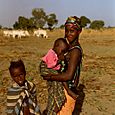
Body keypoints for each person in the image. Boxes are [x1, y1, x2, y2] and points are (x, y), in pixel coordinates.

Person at [43, 16, 83, 115]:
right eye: (66, 30)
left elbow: (69, 75)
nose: (68, 33)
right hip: (63, 90)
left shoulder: (75, 51)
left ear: (79, 31)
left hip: (68, 92)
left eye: (72, 31)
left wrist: (50, 76)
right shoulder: (68, 47)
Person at [39, 38, 78, 115]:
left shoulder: (56, 54)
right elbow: (50, 65)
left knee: (58, 85)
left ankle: (57, 104)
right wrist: (60, 61)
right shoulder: (51, 53)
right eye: (62, 51)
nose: (62, 53)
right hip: (48, 70)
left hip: (53, 73)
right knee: (56, 88)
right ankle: (56, 105)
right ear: (56, 46)